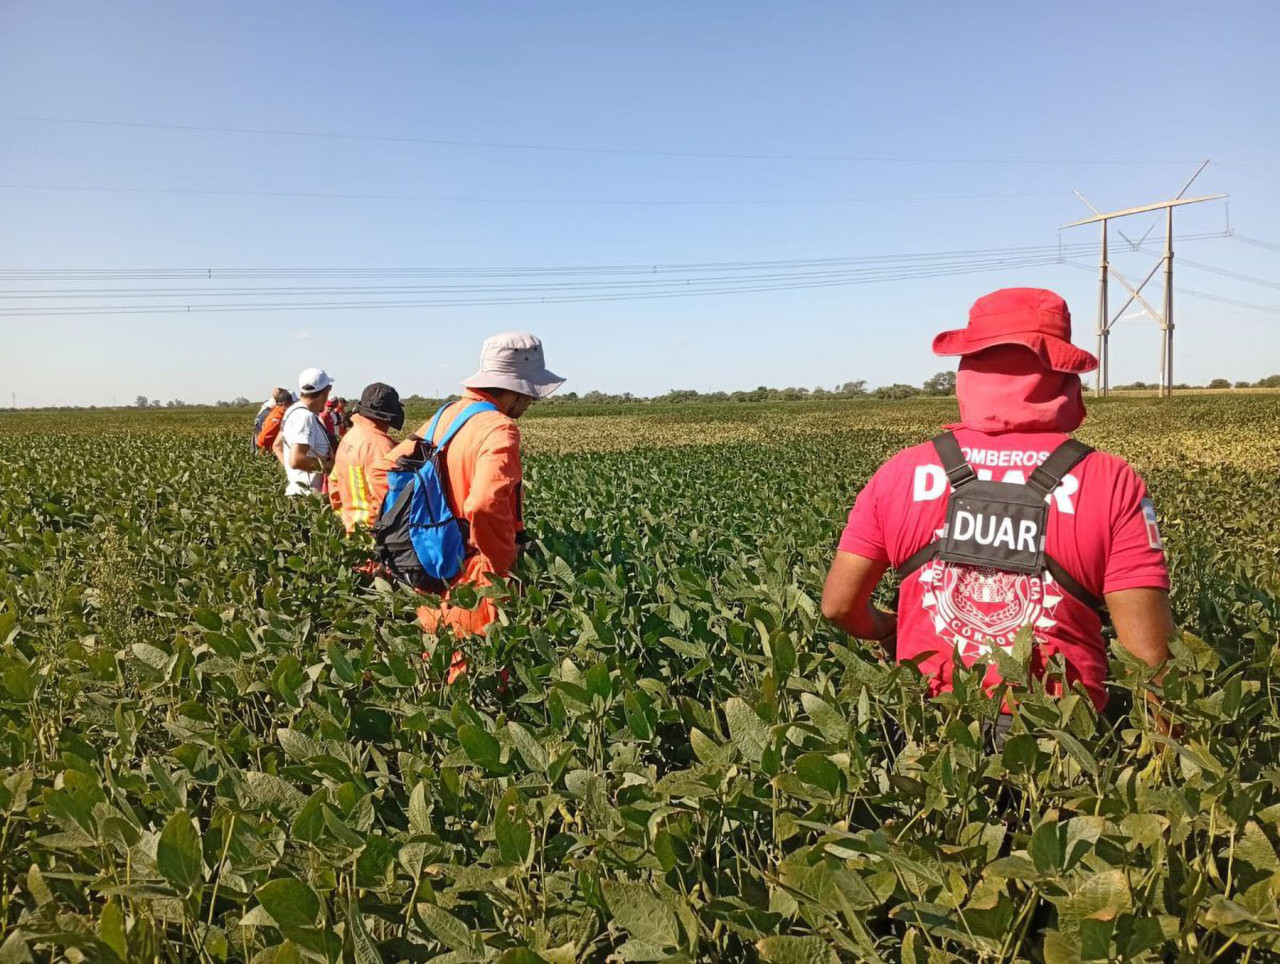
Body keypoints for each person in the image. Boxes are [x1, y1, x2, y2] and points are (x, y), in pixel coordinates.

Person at [821, 288, 1174, 721]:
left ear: (969, 366)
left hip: (932, 734)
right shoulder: (1111, 481)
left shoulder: (900, 471)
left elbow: (838, 606)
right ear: (1062, 369)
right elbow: (1150, 657)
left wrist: (886, 628)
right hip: (1060, 742)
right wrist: (1170, 761)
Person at [378, 332, 564, 679]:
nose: (530, 403)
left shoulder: (444, 416)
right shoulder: (498, 427)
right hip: (474, 576)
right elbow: (483, 504)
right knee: (483, 678)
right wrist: (500, 565)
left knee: (440, 668)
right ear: (513, 389)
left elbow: (384, 468)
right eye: (529, 394)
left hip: (432, 568)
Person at [329, 382, 404, 532]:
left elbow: (333, 483)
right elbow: (388, 500)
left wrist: (347, 519)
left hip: (353, 531)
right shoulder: (378, 445)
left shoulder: (351, 436)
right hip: (373, 535)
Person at [274, 367, 336, 497]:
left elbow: (277, 445)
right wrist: (327, 466)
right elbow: (297, 460)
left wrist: (293, 474)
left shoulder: (292, 410)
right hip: (306, 496)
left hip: (299, 491)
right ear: (325, 392)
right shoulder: (305, 417)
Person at [255, 388, 294, 454]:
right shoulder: (277, 418)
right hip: (269, 452)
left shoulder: (276, 412)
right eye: (290, 405)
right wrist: (266, 451)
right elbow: (263, 438)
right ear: (285, 404)